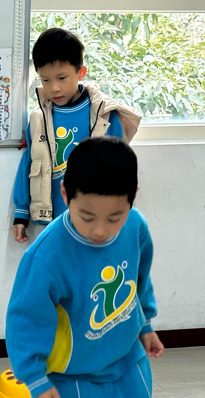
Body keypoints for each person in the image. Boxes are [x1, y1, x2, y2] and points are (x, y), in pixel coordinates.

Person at [5, 137, 163, 398]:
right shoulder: (47, 255)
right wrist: (36, 380)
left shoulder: (135, 227)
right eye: (86, 215)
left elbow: (138, 279)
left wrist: (145, 324)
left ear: (132, 200)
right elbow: (25, 321)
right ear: (65, 194)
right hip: (77, 379)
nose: (100, 230)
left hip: (129, 362)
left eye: (114, 216)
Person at [11, 28, 141, 244]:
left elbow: (122, 168)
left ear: (81, 72)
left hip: (96, 219)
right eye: (45, 80)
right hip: (53, 221)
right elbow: (29, 162)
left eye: (62, 78)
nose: (54, 88)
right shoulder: (38, 118)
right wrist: (21, 212)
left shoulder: (104, 116)